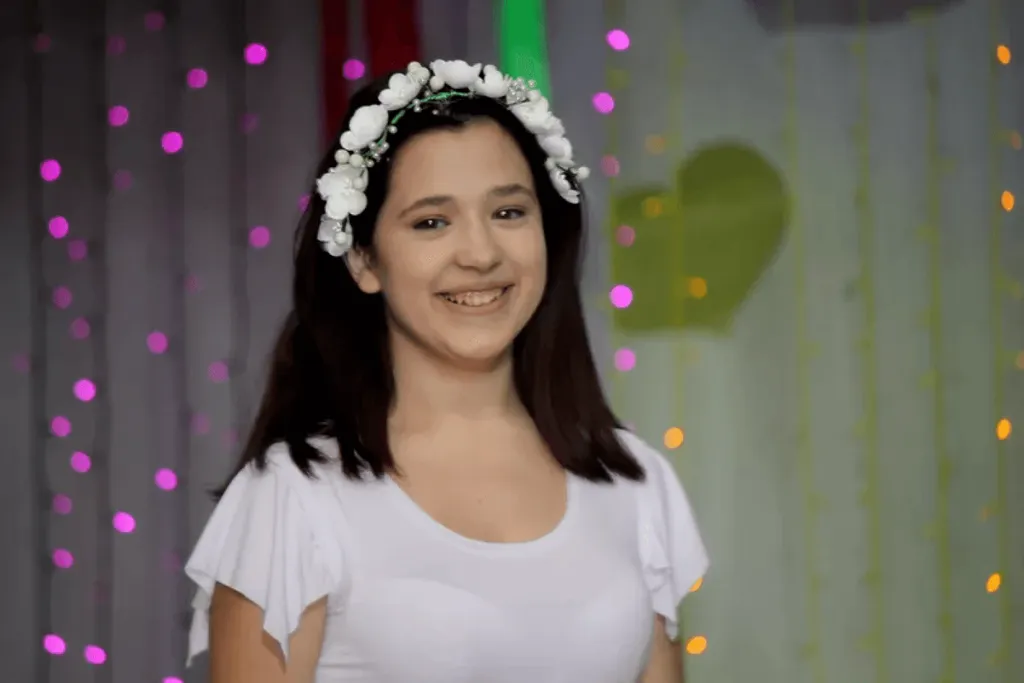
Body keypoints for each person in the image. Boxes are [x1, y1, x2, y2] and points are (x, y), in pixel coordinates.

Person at [183, 59, 708, 683]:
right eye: (431, 222)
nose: (480, 254)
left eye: (509, 212)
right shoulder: (295, 496)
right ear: (363, 259)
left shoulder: (635, 481)